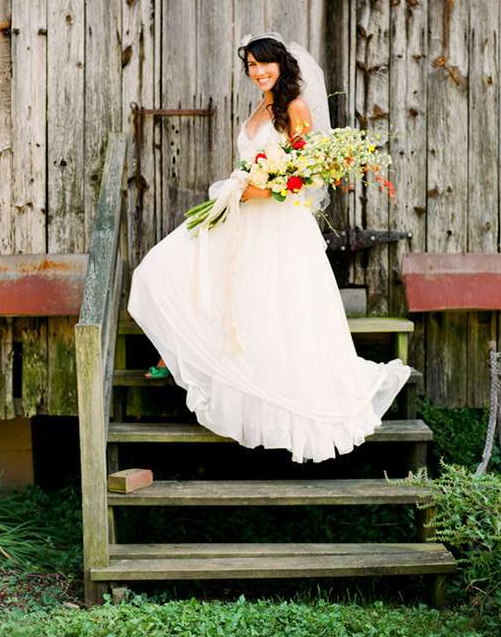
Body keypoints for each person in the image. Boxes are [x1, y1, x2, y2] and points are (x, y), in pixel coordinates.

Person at [127, 32, 410, 463]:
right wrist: (240, 191)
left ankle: (280, 409)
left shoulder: (296, 107)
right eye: (250, 67)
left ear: (282, 64)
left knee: (273, 310)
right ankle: (212, 368)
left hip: (277, 225)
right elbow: (255, 165)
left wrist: (257, 191)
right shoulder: (261, 106)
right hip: (243, 214)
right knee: (158, 270)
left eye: (264, 64)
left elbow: (307, 176)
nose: (258, 72)